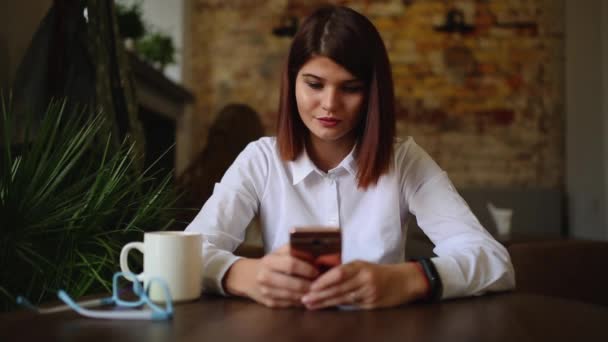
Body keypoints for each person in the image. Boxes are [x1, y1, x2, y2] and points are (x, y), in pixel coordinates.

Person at [185, 5, 515, 310]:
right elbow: (186, 253)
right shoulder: (259, 160)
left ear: (372, 93)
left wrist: (410, 279)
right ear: (292, 83)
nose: (330, 104)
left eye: (351, 88)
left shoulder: (404, 160)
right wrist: (245, 275)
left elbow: (493, 261)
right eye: (314, 85)